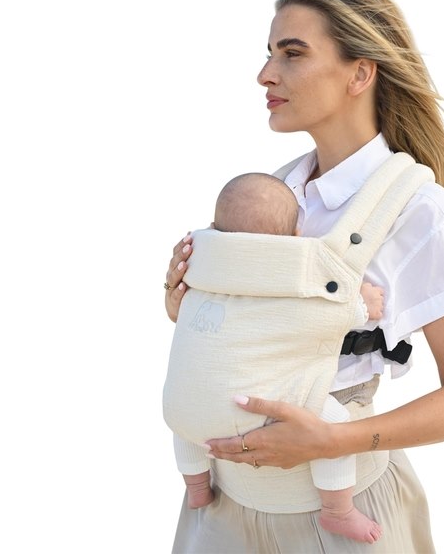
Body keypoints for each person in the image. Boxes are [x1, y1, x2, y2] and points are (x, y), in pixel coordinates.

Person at [163, 0, 444, 553]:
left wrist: (334, 440)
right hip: (220, 508)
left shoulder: (422, 213)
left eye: (292, 53)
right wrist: (185, 301)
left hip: (340, 516)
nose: (265, 73)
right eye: (269, 53)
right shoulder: (269, 195)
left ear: (360, 73)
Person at [163, 171, 385, 543]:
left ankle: (196, 486)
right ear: (296, 237)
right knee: (335, 423)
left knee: (189, 416)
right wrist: (362, 306)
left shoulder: (200, 267)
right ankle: (338, 510)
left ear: (215, 228)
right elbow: (320, 316)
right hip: (249, 408)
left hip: (181, 406)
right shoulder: (287, 282)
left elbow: (183, 311)